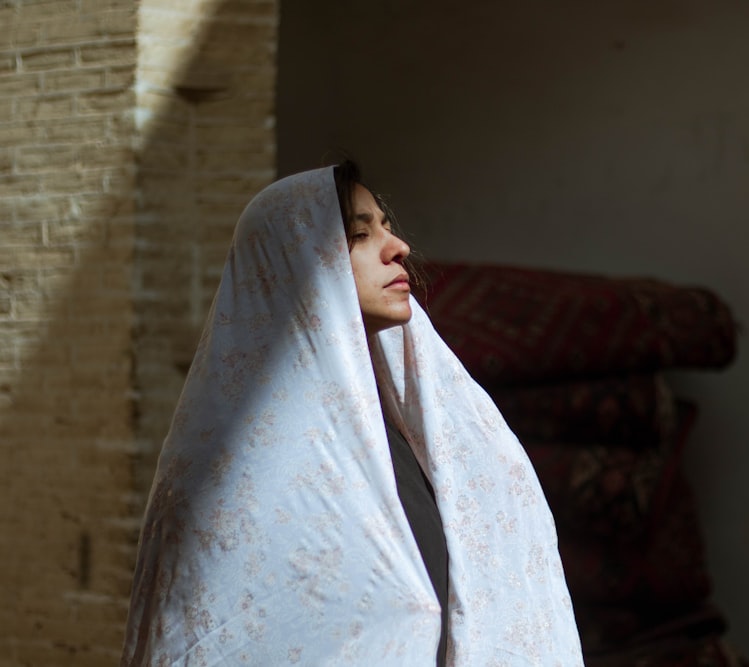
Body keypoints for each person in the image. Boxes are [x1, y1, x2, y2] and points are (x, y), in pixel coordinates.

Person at [121, 163, 583, 666]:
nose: (397, 246)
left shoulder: (429, 447)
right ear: (293, 266)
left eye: (386, 226)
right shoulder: (226, 483)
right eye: (359, 235)